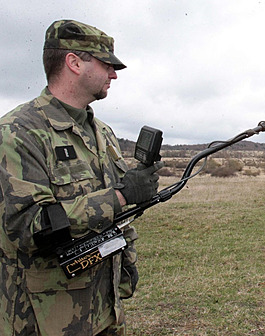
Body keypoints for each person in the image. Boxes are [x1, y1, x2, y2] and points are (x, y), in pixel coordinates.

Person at [0, 20, 163, 335]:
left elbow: (113, 219)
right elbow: (29, 227)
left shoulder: (103, 133)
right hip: (44, 321)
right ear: (73, 63)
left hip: (104, 312)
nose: (114, 74)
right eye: (106, 65)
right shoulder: (17, 133)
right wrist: (120, 196)